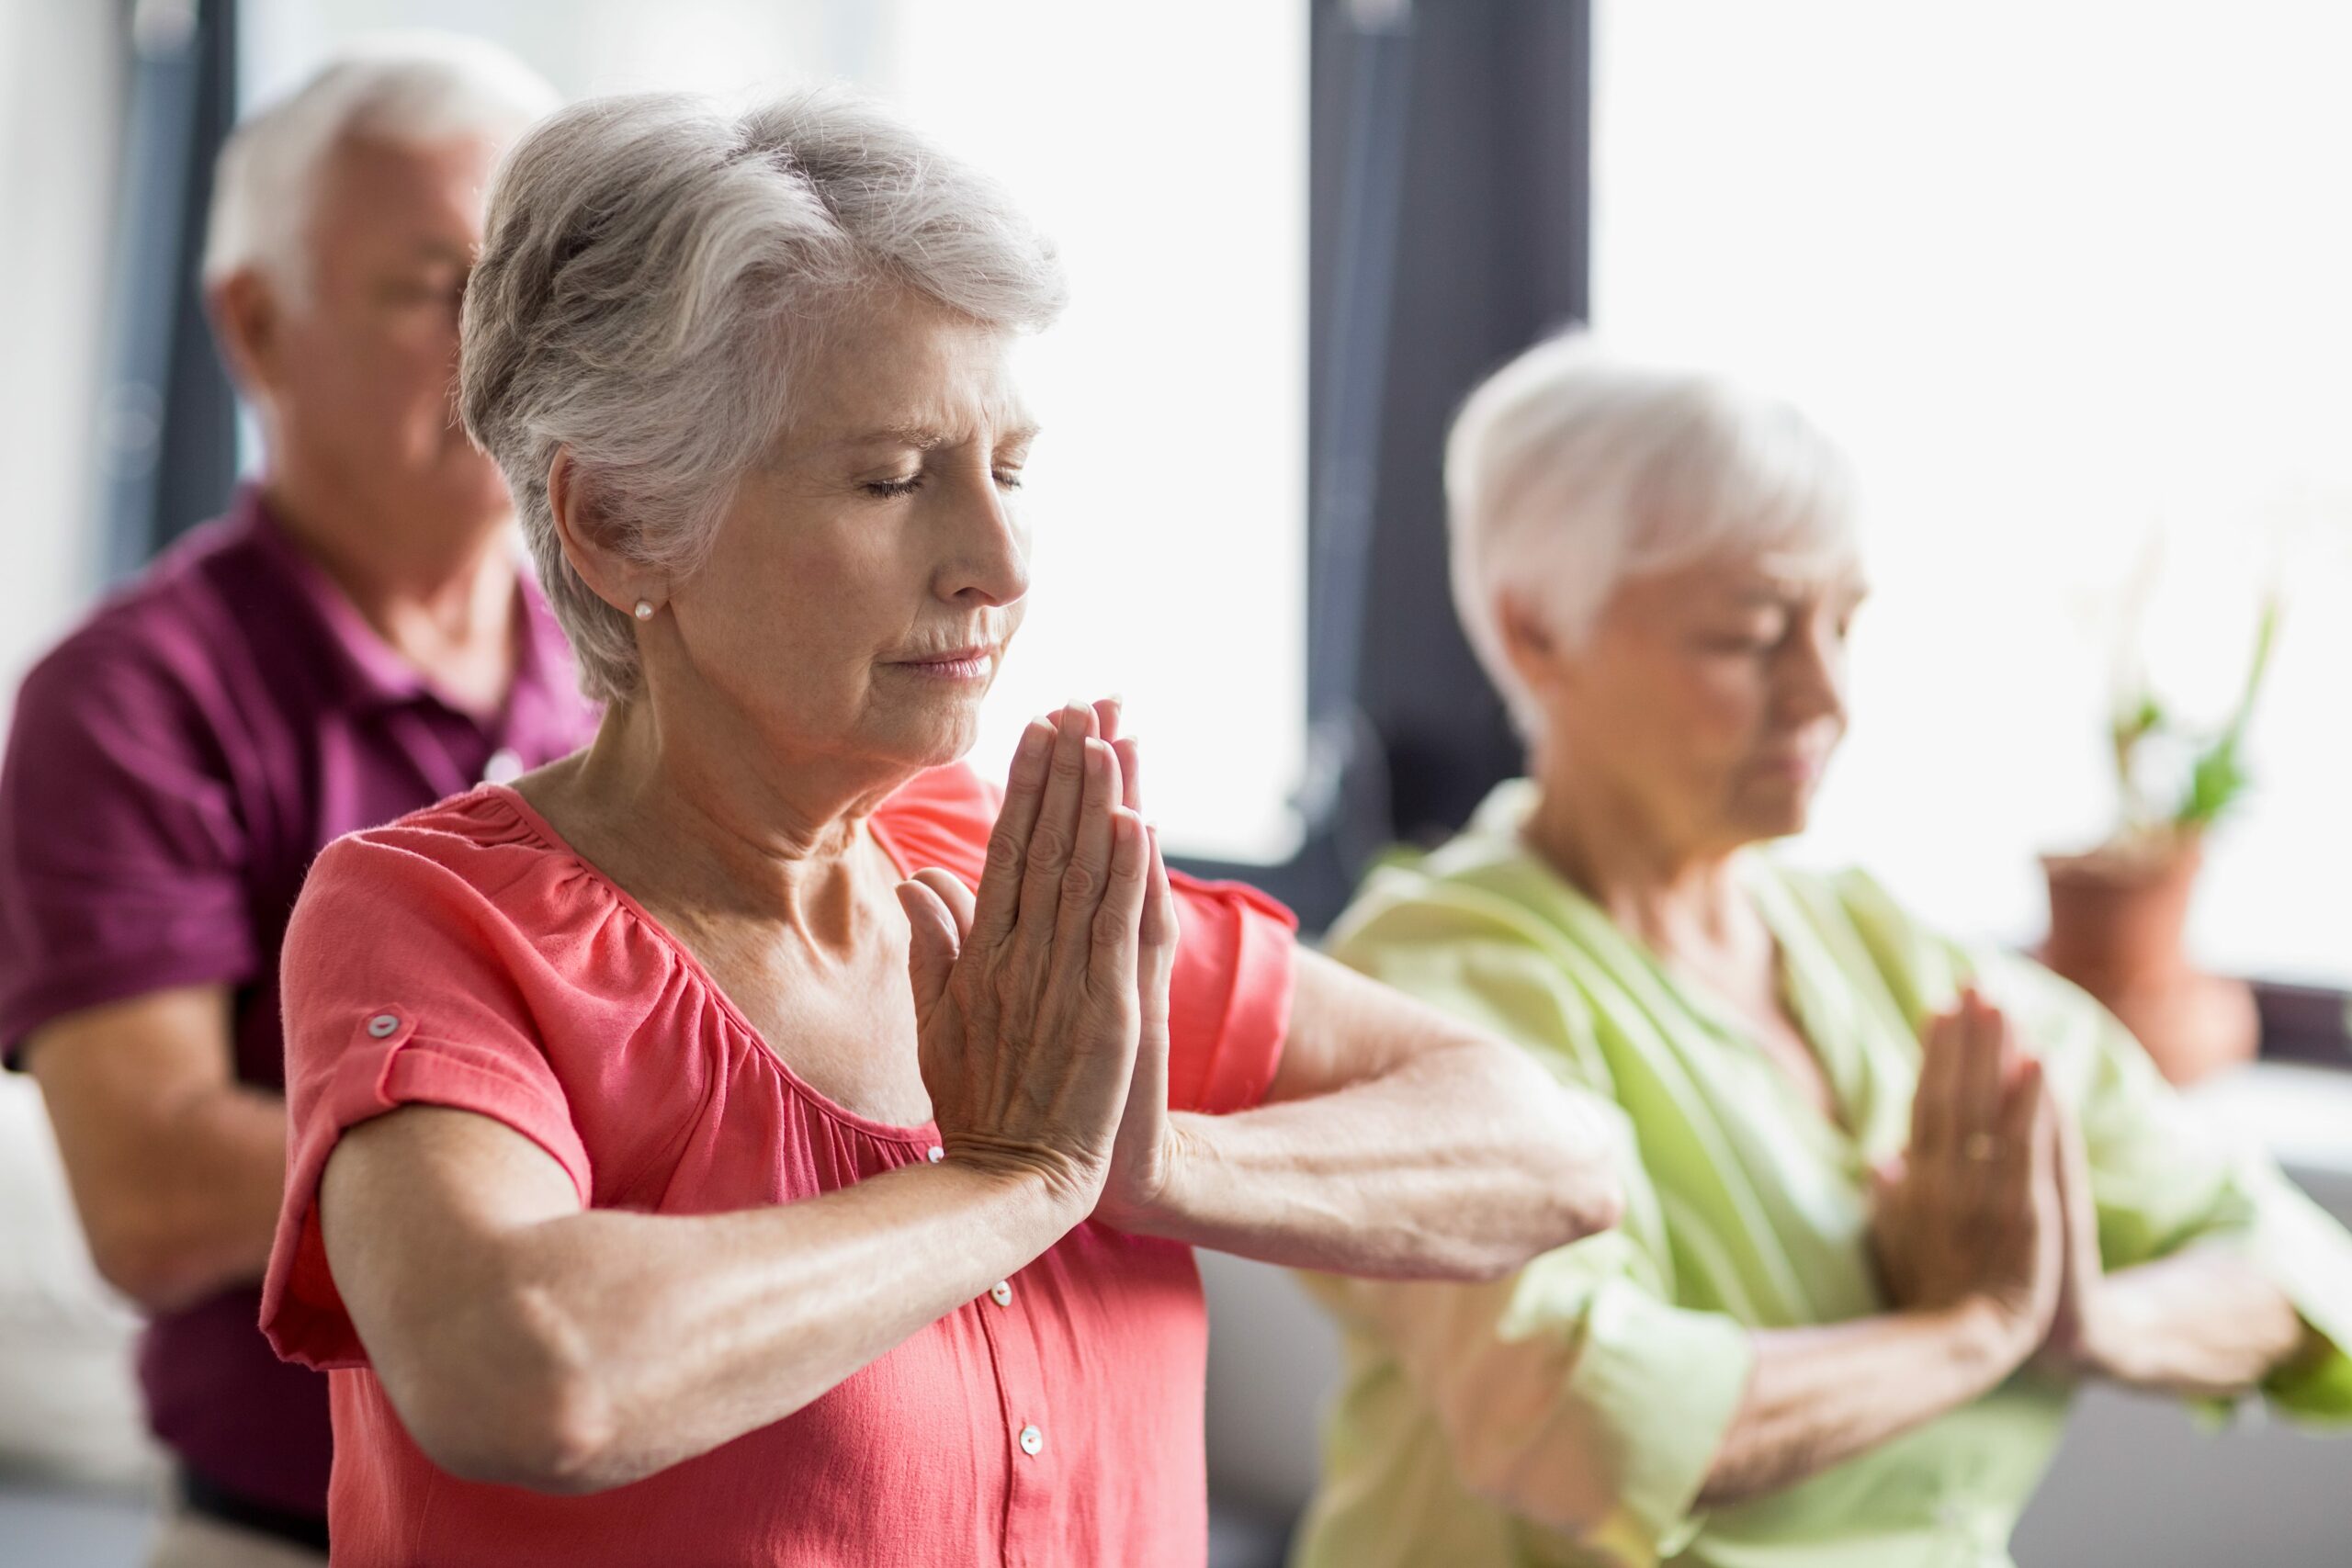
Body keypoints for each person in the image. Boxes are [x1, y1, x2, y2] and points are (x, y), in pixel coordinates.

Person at [253, 87, 1623, 1565]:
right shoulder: (440, 921)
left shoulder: (1001, 867)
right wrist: (1006, 1185)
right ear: (621, 525)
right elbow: (528, 1372)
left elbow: (1556, 1153)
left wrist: (1142, 1170)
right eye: (892, 478)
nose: (997, 561)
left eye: (1011, 469)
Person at [1290, 334, 2352, 1568]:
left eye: (1843, 625)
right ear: (1537, 634)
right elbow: (1580, 1423)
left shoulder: (1877, 948)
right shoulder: (1433, 975)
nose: (1825, 696)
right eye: (1750, 636)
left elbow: (2295, 1261)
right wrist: (1971, 1330)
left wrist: (2085, 1320)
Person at [0, 39, 591, 1565]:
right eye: (434, 288)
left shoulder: (633, 661)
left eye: (530, 290)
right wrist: (601, 1160)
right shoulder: (132, 699)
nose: (500, 350)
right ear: (257, 325)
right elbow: (147, 1188)